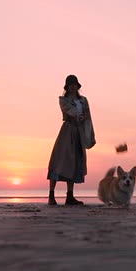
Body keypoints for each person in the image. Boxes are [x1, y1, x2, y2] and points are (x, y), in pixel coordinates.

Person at [47, 74, 96, 205]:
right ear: (67, 87)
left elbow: (88, 117)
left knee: (75, 163)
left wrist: (90, 135)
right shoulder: (64, 100)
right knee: (59, 161)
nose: (73, 87)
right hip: (67, 131)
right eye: (70, 85)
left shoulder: (83, 100)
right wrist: (77, 116)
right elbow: (68, 110)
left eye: (75, 84)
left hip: (79, 132)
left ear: (77, 86)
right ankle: (51, 195)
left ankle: (70, 196)